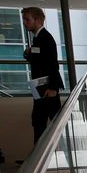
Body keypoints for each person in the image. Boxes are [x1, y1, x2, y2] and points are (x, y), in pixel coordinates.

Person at [22, 7, 64, 143]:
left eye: (27, 19)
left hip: (47, 87)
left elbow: (52, 64)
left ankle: (38, 159)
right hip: (40, 86)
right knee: (38, 121)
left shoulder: (45, 38)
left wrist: (52, 88)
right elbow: (39, 58)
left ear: (38, 20)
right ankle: (36, 158)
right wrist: (28, 53)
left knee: (51, 122)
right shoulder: (38, 38)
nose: (24, 22)